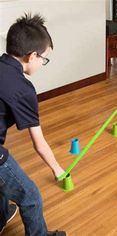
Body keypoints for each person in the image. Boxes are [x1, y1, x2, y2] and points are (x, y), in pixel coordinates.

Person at [0, 13, 66, 236]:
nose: (42, 64)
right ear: (31, 56)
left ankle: (1, 215)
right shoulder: (22, 89)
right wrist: (58, 169)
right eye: (43, 59)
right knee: (31, 198)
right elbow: (39, 143)